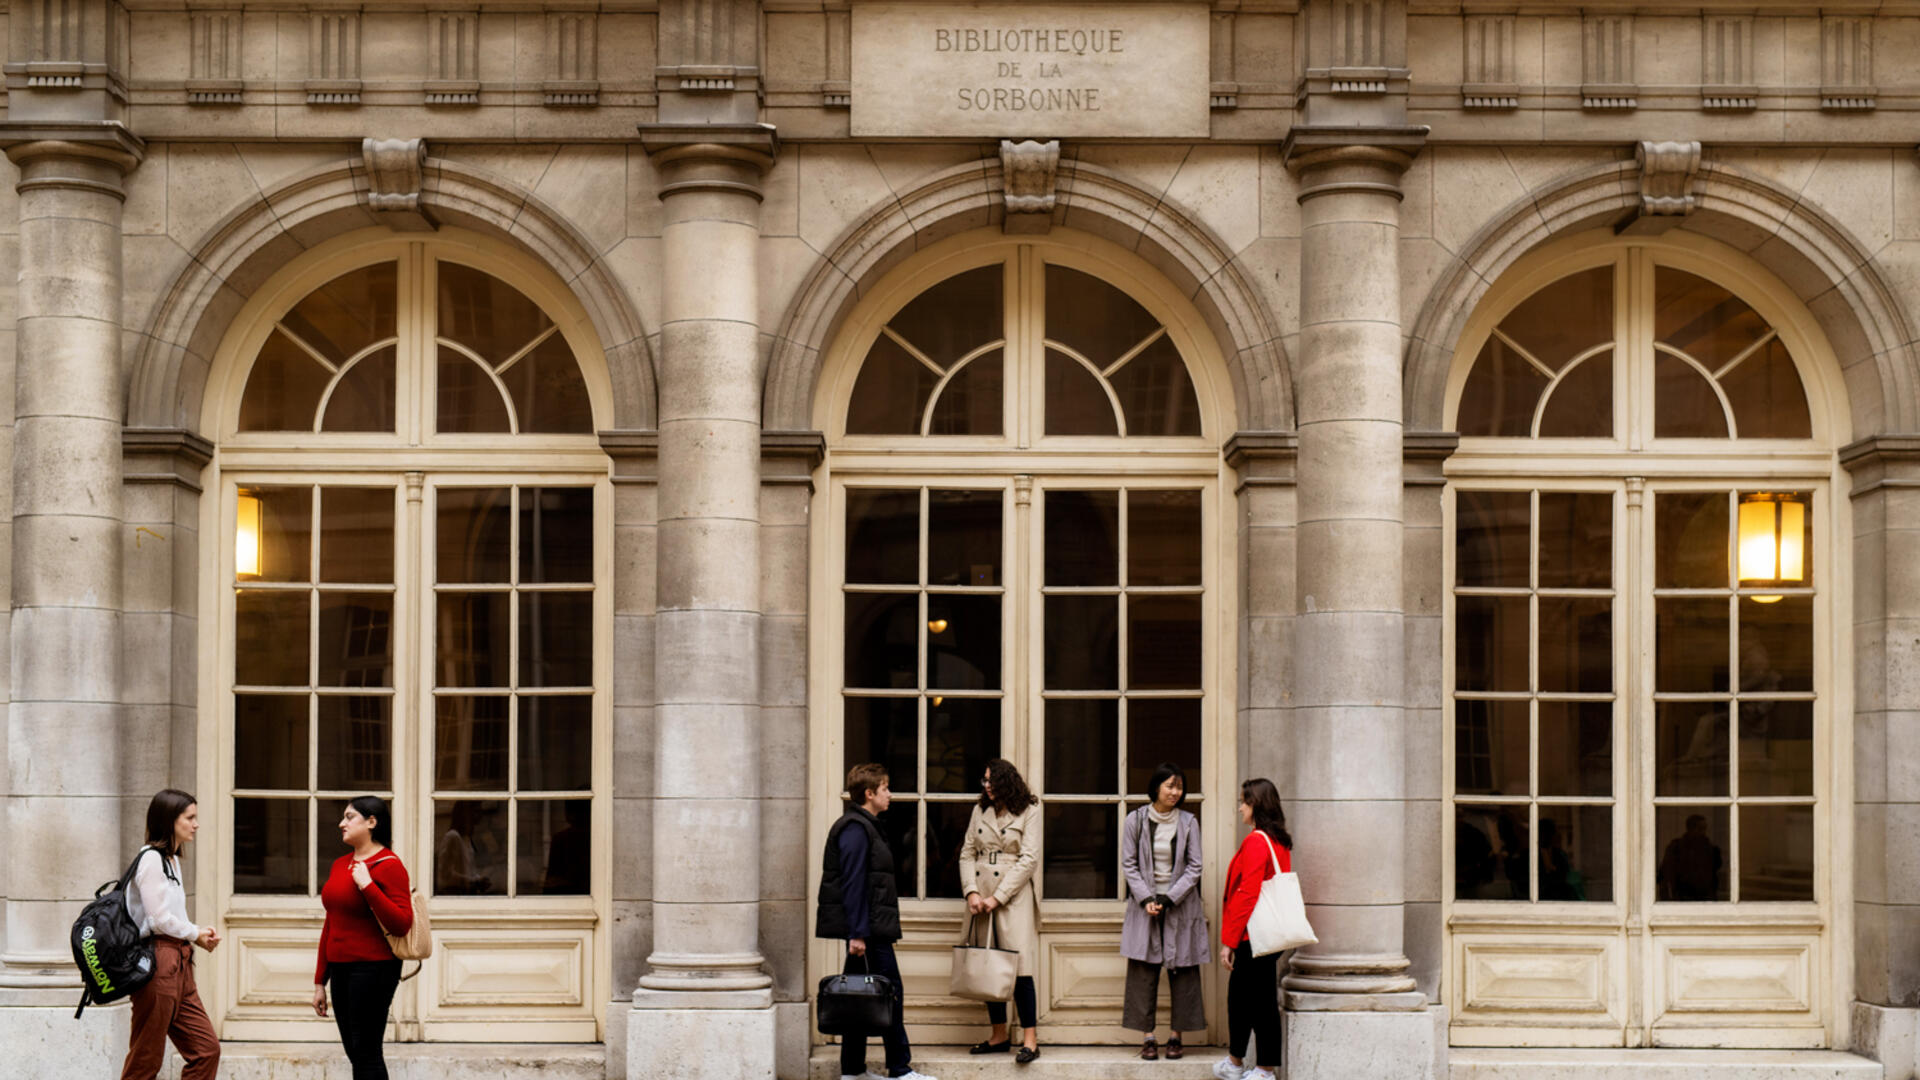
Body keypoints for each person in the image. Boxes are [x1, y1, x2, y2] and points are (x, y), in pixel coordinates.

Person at [816, 764, 937, 1080]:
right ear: (869, 793)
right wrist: (857, 933)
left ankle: (853, 1070)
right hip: (868, 931)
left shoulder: (865, 826)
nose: (890, 794)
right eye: (885, 788)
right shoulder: (855, 828)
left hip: (869, 928)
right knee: (890, 993)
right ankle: (899, 1069)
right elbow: (853, 882)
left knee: (856, 998)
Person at [120, 788, 221, 1080]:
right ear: (169, 820)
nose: (196, 824)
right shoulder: (150, 859)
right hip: (158, 962)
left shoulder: (171, 860)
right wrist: (195, 932)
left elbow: (172, 916)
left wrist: (195, 936)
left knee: (206, 1050)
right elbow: (158, 918)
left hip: (180, 963)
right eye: (189, 818)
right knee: (146, 1058)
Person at [313, 796, 415, 1080]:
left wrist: (368, 885)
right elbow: (332, 923)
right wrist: (320, 981)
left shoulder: (389, 864)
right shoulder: (340, 864)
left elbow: (401, 924)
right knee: (355, 1052)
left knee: (367, 1052)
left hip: (374, 969)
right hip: (341, 969)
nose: (341, 823)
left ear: (372, 822)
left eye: (349, 817)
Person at [1121, 762, 1208, 1061]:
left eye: (1179, 787)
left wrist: (1170, 899)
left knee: (1182, 970)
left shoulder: (1188, 822)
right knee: (1143, 971)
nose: (1175, 792)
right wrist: (1146, 898)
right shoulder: (1135, 819)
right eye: (1170, 786)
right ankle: (1148, 1038)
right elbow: (1128, 863)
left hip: (1179, 906)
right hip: (1144, 906)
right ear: (1156, 787)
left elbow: (1195, 866)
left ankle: (1175, 1036)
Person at [960, 758, 1042, 1064]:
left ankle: (1031, 1040)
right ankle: (998, 1035)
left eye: (991, 781)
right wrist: (971, 890)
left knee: (1019, 968)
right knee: (987, 962)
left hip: (1014, 896)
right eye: (984, 781)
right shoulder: (980, 810)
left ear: (1007, 782)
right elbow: (967, 852)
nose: (987, 787)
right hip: (980, 894)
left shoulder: (1030, 810)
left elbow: (1029, 859)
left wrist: (999, 897)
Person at [1215, 778, 1291, 1080]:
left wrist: (1229, 941)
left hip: (1252, 935)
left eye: (1244, 802)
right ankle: (1237, 1063)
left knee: (1257, 1004)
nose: (1239, 808)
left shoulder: (1258, 841)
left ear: (1256, 805)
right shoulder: (1277, 840)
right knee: (1247, 1000)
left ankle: (1263, 1070)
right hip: (1265, 933)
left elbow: (1248, 893)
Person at [1658, 813, 1724, 901]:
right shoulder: (1676, 848)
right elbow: (1666, 874)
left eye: (1704, 829)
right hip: (1682, 897)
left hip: (1705, 897)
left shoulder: (1710, 849)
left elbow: (1715, 870)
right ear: (1690, 829)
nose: (1703, 832)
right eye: (1700, 829)